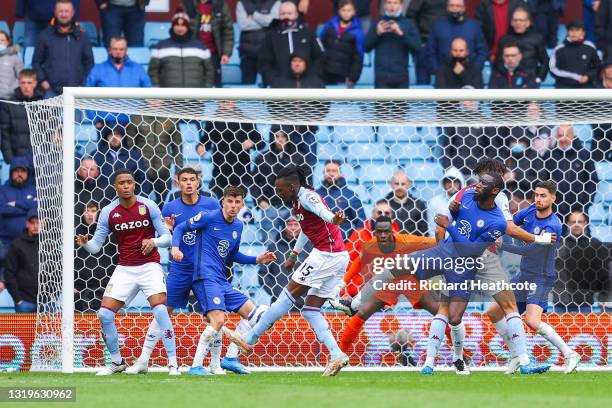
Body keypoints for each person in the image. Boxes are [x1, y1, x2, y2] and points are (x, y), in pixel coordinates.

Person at [421, 173, 549, 375]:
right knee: (450, 315)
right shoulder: (467, 193)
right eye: (479, 181)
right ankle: (433, 362)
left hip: (479, 257)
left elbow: (478, 245)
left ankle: (524, 362)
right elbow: (443, 222)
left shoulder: (498, 216)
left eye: (483, 183)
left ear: (495, 190)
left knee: (508, 303)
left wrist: (538, 239)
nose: (477, 185)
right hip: (455, 259)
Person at [237, 165, 351, 376]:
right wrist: (293, 255)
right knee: (309, 310)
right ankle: (336, 354)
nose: (279, 194)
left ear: (291, 186)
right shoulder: (298, 203)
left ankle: (250, 338)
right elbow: (308, 229)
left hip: (326, 255)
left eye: (281, 190)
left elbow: (322, 212)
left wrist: (334, 219)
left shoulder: (307, 196)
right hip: (337, 256)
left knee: (284, 299)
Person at [75, 169, 178, 375]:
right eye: (121, 183)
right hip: (125, 269)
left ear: (134, 185)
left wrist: (153, 241)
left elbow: (167, 238)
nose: (125, 186)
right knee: (104, 315)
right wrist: (85, 244)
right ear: (115, 186)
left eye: (129, 182)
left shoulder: (148, 206)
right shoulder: (108, 212)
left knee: (159, 310)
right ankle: (117, 362)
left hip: (150, 266)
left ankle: (173, 363)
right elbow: (96, 246)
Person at [169, 186, 276, 375]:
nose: (233, 206)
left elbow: (233, 254)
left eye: (237, 202)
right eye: (230, 201)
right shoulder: (208, 217)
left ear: (242, 204)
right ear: (223, 202)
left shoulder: (238, 226)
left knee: (255, 314)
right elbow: (180, 227)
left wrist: (256, 259)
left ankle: (229, 359)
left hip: (222, 280)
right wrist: (175, 247)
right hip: (204, 277)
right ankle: (196, 366)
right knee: (218, 320)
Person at [487, 181, 580, 374]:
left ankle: (569, 354)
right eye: (536, 195)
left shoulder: (553, 226)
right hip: (524, 275)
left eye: (543, 195)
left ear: (553, 198)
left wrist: (503, 245)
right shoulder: (529, 211)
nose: (538, 199)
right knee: (494, 312)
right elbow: (511, 224)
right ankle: (515, 355)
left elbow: (531, 251)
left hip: (541, 278)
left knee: (532, 321)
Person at [331, 216, 441, 351]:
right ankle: (339, 355)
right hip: (386, 285)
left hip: (409, 281)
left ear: (392, 231)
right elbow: (358, 262)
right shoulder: (371, 244)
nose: (383, 235)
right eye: (379, 232)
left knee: (439, 311)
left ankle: (461, 354)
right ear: (374, 232)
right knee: (361, 314)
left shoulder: (406, 241)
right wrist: (343, 284)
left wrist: (443, 234)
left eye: (387, 231)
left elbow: (434, 242)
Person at [198, 100, 264, 199]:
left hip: (241, 175)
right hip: (219, 175)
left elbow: (261, 143)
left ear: (233, 102)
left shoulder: (245, 121)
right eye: (223, 101)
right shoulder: (212, 121)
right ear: (218, 103)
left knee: (235, 206)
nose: (226, 104)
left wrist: (252, 143)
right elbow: (205, 142)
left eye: (228, 101)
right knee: (219, 206)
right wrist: (200, 147)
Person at [252, 126, 307, 244]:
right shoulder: (262, 158)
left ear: (288, 138)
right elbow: (255, 182)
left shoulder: (298, 157)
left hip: (291, 207)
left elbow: (306, 181)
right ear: (272, 137)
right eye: (277, 136)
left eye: (283, 136)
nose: (280, 139)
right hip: (270, 207)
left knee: (294, 242)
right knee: (270, 244)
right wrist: (260, 201)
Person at [85, 36, 152, 130]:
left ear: (126, 50)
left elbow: (149, 94)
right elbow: (86, 95)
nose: (118, 52)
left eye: (121, 49)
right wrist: (95, 119)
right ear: (109, 50)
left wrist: (143, 120)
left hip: (133, 124)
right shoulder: (98, 69)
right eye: (115, 49)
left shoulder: (138, 69)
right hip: (105, 123)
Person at [31, 0, 94, 98]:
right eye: (60, 11)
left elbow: (89, 63)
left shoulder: (82, 36)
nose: (64, 14)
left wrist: (83, 84)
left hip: (76, 92)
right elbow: (36, 62)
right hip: (51, 92)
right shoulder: (45, 35)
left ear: (73, 13)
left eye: (66, 11)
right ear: (55, 12)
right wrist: (42, 81)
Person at [554, 210, 610, 310]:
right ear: (567, 223)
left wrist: (590, 291)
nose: (576, 225)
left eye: (580, 222)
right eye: (573, 222)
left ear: (585, 223)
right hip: (560, 302)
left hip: (584, 303)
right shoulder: (558, 244)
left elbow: (603, 273)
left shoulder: (595, 245)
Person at [258, 1, 324, 87]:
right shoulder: (271, 35)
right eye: (283, 14)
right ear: (279, 16)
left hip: (307, 85)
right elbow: (264, 62)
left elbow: (319, 57)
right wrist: (273, 81)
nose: (286, 16)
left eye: (289, 13)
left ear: (296, 15)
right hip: (280, 86)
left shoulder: (308, 32)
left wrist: (313, 78)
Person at [542, 124, 598, 219]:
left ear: (573, 136)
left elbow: (592, 181)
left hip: (578, 210)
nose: (563, 139)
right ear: (556, 136)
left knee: (580, 233)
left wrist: (583, 205)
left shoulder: (584, 154)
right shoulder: (549, 155)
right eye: (560, 135)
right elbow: (543, 180)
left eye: (566, 135)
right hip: (554, 209)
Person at [148, 7, 214, 88]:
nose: (180, 28)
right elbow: (153, 71)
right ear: (172, 26)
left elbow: (209, 72)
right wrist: (156, 90)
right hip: (167, 98)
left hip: (196, 99)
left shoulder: (201, 47)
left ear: (188, 27)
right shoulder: (160, 47)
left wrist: (205, 91)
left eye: (183, 25)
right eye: (177, 25)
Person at [344, 199, 399, 295]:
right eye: (379, 212)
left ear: (392, 218)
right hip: (357, 290)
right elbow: (346, 266)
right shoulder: (359, 235)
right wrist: (345, 293)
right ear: (372, 215)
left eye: (387, 213)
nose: (383, 216)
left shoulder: (398, 238)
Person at [364, 0, 420, 88]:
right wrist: (377, 33)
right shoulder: (377, 22)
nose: (392, 6)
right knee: (381, 102)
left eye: (395, 3)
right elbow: (366, 47)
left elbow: (417, 48)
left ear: (401, 5)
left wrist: (401, 33)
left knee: (401, 102)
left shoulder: (409, 23)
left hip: (401, 77)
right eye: (389, 3)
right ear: (384, 5)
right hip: (381, 78)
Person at [0, 158, 38, 289]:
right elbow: (3, 209)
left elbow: (37, 207)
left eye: (23, 171)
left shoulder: (34, 189)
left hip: (30, 242)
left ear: (28, 173)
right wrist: (26, 208)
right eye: (16, 171)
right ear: (11, 173)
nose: (20, 174)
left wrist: (16, 204)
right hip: (7, 241)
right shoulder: (2, 190)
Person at [130, 114, 184, 205]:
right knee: (141, 205)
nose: (154, 100)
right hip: (142, 172)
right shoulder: (137, 118)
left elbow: (177, 147)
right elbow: (130, 146)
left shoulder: (171, 119)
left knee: (165, 205)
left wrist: (178, 171)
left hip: (164, 171)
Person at [74, 201, 117, 312]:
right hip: (80, 289)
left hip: (106, 288)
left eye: (93, 211)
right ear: (81, 214)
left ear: (98, 213)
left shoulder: (108, 235)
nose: (90, 214)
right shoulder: (75, 235)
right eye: (86, 211)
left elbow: (117, 260)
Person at [426, 0, 488, 74]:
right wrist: (437, 71)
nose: (455, 8)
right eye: (452, 5)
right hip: (444, 75)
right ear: (447, 8)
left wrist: (475, 69)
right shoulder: (438, 26)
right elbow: (430, 51)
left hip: (469, 74)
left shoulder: (474, 26)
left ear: (464, 8)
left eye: (458, 6)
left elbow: (482, 51)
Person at [260, 216, 312, 302]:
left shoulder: (310, 247)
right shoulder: (274, 248)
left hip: (305, 303)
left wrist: (308, 295)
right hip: (279, 301)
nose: (293, 227)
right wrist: (276, 291)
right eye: (289, 224)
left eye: (296, 224)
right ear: (284, 226)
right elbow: (263, 273)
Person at [183, 0, 234, 87]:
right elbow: (180, 29)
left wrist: (226, 53)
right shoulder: (187, 4)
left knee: (214, 87)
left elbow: (228, 31)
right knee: (192, 86)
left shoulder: (221, 5)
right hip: (192, 54)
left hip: (213, 54)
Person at [0, 70, 44, 164]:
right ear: (19, 83)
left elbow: (47, 132)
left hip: (39, 160)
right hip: (17, 160)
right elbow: (5, 135)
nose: (26, 86)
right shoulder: (9, 104)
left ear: (35, 84)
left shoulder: (44, 104)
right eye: (23, 83)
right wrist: (10, 159)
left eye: (29, 83)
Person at [92, 126, 150, 196]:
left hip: (128, 200)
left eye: (117, 134)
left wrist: (139, 200)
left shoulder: (134, 155)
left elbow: (143, 181)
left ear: (123, 137)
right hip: (102, 199)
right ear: (106, 137)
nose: (114, 137)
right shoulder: (96, 155)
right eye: (110, 134)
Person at [497, 7, 549, 84]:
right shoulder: (504, 40)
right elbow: (499, 63)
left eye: (521, 20)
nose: (518, 23)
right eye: (515, 20)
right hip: (509, 83)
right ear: (511, 23)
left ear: (528, 23)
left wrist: (539, 78)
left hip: (530, 82)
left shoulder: (537, 39)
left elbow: (545, 61)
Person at [315, 160, 365, 240]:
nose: (331, 174)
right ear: (323, 173)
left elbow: (360, 222)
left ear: (341, 173)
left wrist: (352, 240)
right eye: (327, 171)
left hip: (343, 241)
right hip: (319, 241)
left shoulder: (350, 195)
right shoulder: (316, 194)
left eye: (334, 171)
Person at [319, 0, 365, 87]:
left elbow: (358, 58)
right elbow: (319, 47)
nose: (346, 13)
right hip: (324, 73)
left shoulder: (358, 33)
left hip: (343, 77)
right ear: (339, 11)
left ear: (354, 12)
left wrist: (352, 78)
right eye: (343, 10)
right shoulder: (329, 27)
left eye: (349, 10)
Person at [236, 0, 281, 84]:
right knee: (247, 87)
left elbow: (272, 22)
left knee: (269, 85)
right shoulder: (242, 3)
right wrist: (264, 21)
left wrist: (254, 15)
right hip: (247, 53)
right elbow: (243, 25)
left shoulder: (275, 2)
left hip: (268, 52)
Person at [4, 208, 39, 313]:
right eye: (32, 223)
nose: (36, 226)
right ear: (27, 224)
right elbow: (9, 272)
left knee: (46, 330)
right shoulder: (16, 245)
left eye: (38, 222)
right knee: (24, 330)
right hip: (25, 301)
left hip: (46, 302)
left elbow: (57, 269)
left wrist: (53, 296)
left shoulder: (49, 245)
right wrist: (18, 299)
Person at [550, 20, 600, 89]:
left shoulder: (590, 47)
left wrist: (588, 76)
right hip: (564, 88)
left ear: (583, 33)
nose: (574, 33)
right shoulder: (559, 49)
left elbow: (597, 66)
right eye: (571, 30)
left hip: (586, 87)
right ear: (567, 32)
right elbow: (553, 69)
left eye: (577, 30)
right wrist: (576, 78)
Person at [406, 0, 447, 84]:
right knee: (422, 81)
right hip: (425, 41)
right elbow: (410, 16)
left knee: (445, 80)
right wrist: (418, 39)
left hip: (445, 42)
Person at [16, 0, 81, 47]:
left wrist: (74, 17)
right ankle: (29, 66)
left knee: (55, 47)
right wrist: (20, 11)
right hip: (32, 16)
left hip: (54, 18)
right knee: (29, 46)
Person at [382, 170, 428, 235]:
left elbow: (424, 232)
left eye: (403, 184)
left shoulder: (419, 205)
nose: (399, 187)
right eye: (396, 184)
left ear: (409, 185)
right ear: (391, 184)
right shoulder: (382, 204)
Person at [74, 157, 114, 224]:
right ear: (78, 171)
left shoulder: (105, 191)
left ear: (97, 172)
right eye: (84, 169)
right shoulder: (72, 189)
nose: (88, 172)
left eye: (92, 169)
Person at [428, 167, 465, 236]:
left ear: (461, 183)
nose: (451, 184)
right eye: (448, 181)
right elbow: (432, 229)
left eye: (455, 181)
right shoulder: (435, 201)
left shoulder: (467, 202)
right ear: (443, 184)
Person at [0, 31, 23, 101]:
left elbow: (21, 77)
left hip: (8, 98)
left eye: (2, 40)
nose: (0, 42)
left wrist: (10, 90)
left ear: (8, 42)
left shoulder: (15, 57)